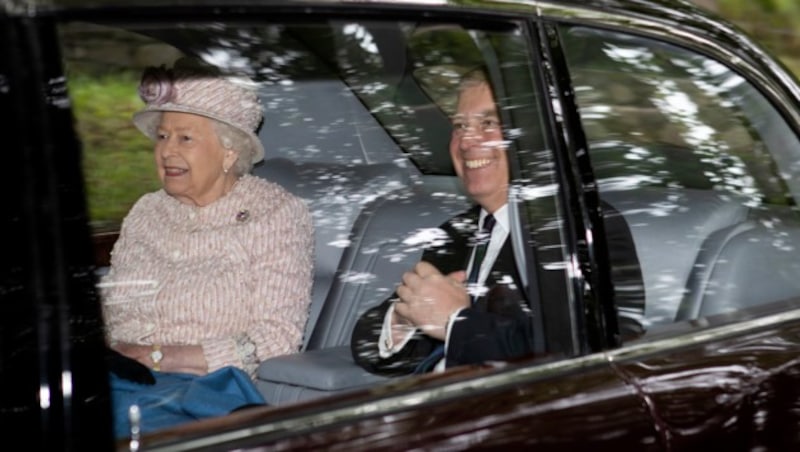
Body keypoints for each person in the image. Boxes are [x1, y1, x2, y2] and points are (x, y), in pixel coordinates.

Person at [350, 68, 643, 376]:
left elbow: (586, 359)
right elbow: (366, 342)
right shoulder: (455, 233)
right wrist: (403, 321)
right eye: (460, 126)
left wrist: (457, 321)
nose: (466, 141)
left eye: (488, 123)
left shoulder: (581, 230)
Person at [99, 59, 314, 437]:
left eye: (185, 138)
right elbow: (111, 303)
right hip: (116, 379)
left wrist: (161, 356)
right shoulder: (146, 210)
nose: (166, 151)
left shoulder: (276, 213)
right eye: (163, 137)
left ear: (229, 151)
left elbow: (277, 337)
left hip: (200, 398)